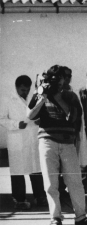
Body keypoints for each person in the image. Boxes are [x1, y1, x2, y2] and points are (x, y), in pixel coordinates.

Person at [26, 65, 87, 225]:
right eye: (57, 78)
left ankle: (81, 217)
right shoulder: (41, 93)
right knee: (50, 183)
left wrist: (58, 98)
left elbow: (74, 118)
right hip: (47, 141)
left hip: (67, 142)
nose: (61, 80)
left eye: (64, 77)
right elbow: (29, 115)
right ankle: (55, 217)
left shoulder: (71, 96)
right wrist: (42, 98)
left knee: (75, 181)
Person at [0, 75, 46, 210]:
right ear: (16, 87)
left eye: (27, 90)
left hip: (33, 138)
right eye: (22, 90)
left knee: (36, 169)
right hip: (17, 139)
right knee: (18, 171)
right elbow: (1, 119)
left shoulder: (34, 98)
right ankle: (20, 199)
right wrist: (15, 124)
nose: (25, 93)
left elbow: (41, 113)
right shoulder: (7, 100)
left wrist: (40, 120)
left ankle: (40, 196)